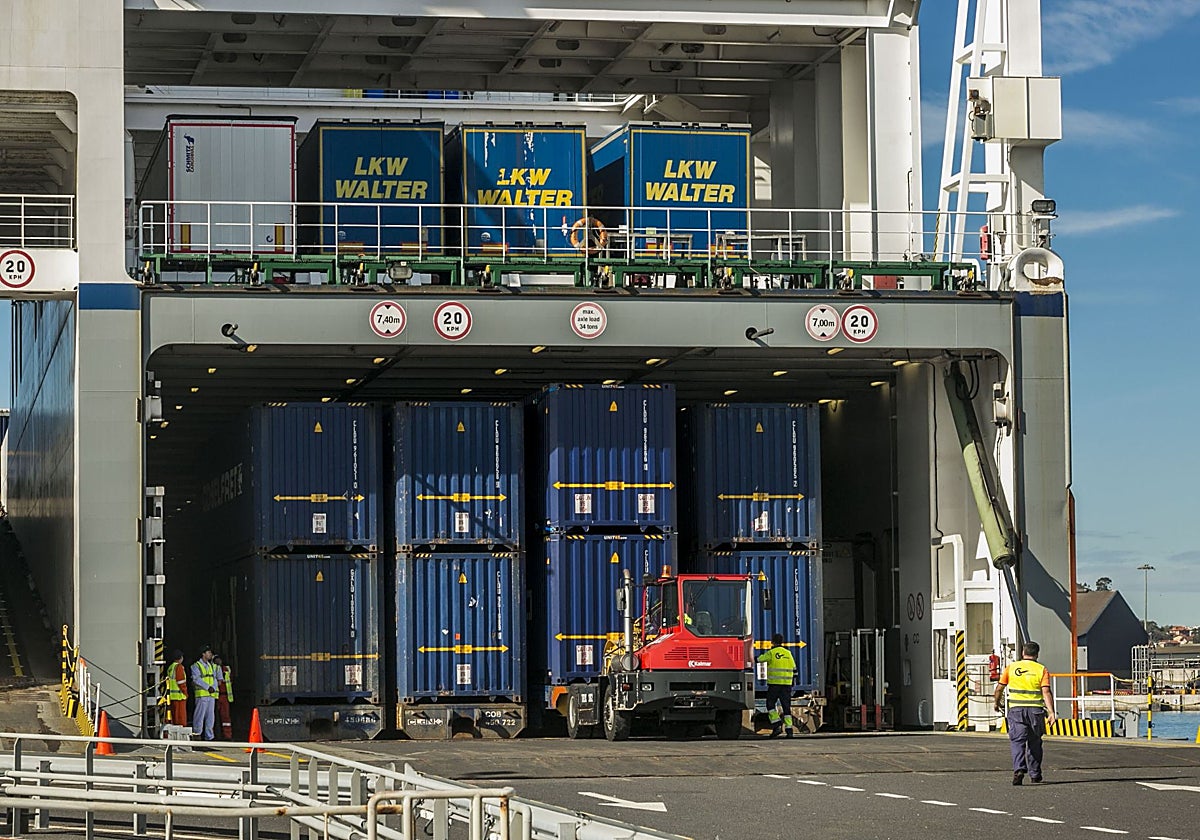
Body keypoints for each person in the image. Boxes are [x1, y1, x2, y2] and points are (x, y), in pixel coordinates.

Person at [994, 641, 1056, 785]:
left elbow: (999, 688)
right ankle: (1035, 774)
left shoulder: (1011, 667)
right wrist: (1051, 712)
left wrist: (996, 703)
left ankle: (1019, 769)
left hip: (1016, 710)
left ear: (1023, 652)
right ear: (1037, 654)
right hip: (1036, 711)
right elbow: (1046, 692)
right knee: (1035, 742)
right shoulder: (1041, 669)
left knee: (1017, 741)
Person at [758, 633, 797, 738]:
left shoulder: (771, 653)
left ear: (772, 642)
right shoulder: (788, 653)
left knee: (770, 705)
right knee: (786, 707)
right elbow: (795, 670)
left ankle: (776, 724)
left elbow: (759, 659)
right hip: (787, 685)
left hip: (774, 685)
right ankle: (789, 731)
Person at [190, 645, 219, 741]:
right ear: (203, 654)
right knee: (199, 716)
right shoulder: (196, 666)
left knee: (211, 717)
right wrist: (208, 687)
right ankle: (197, 735)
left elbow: (214, 679)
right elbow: (196, 679)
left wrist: (214, 688)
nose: (210, 654)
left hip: (211, 695)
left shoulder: (211, 666)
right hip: (202, 695)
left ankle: (209, 737)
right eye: (208, 652)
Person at [166, 649, 188, 727]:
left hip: (172, 696)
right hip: (179, 697)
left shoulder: (171, 667)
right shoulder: (179, 667)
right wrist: (185, 693)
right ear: (180, 658)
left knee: (174, 718)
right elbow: (181, 682)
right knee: (180, 719)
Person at [214, 654, 233, 741]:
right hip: (215, 696)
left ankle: (227, 735)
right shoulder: (211, 669)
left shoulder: (226, 669)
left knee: (225, 717)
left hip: (224, 696)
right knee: (214, 718)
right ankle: (216, 735)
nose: (218, 661)